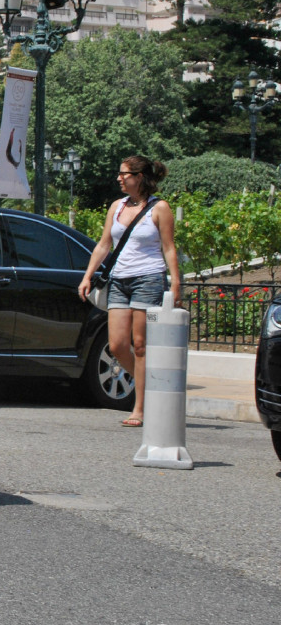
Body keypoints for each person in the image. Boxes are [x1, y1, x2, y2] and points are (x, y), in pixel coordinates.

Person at [77, 155, 181, 428]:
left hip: (148, 279)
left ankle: (140, 408)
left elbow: (169, 248)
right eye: (120, 174)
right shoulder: (117, 206)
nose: (119, 178)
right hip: (119, 280)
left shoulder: (160, 208)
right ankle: (152, 387)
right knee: (117, 345)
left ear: (140, 177)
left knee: (139, 345)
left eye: (125, 174)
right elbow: (104, 244)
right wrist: (88, 275)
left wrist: (176, 282)